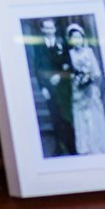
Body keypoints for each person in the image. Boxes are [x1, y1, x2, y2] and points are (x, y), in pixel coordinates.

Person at [28, 17, 76, 157]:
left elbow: (69, 62)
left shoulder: (62, 42)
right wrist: (42, 87)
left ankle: (72, 147)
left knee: (67, 117)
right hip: (49, 88)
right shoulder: (39, 45)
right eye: (46, 28)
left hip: (63, 86)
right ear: (43, 29)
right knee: (55, 118)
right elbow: (38, 67)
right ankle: (59, 147)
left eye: (51, 27)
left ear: (54, 29)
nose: (49, 30)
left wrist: (60, 76)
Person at [66, 23, 105, 154]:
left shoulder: (89, 52)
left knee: (94, 115)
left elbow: (96, 72)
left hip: (90, 90)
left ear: (82, 38)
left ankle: (98, 145)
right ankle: (84, 146)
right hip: (77, 91)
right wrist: (77, 80)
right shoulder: (70, 54)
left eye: (79, 37)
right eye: (73, 38)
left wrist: (89, 79)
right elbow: (68, 73)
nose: (77, 40)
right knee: (81, 117)